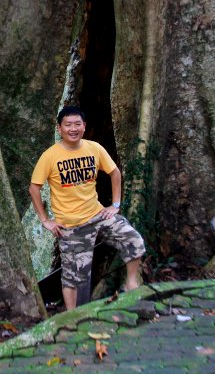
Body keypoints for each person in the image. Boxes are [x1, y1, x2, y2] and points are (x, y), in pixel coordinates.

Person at [29, 105, 145, 311]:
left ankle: (132, 283)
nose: (73, 129)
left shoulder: (94, 148)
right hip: (71, 226)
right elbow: (34, 188)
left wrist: (115, 205)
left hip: (98, 215)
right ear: (59, 128)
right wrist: (45, 220)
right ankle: (72, 316)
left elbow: (115, 173)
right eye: (68, 125)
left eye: (77, 124)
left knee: (132, 238)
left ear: (84, 126)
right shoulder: (50, 156)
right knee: (74, 276)